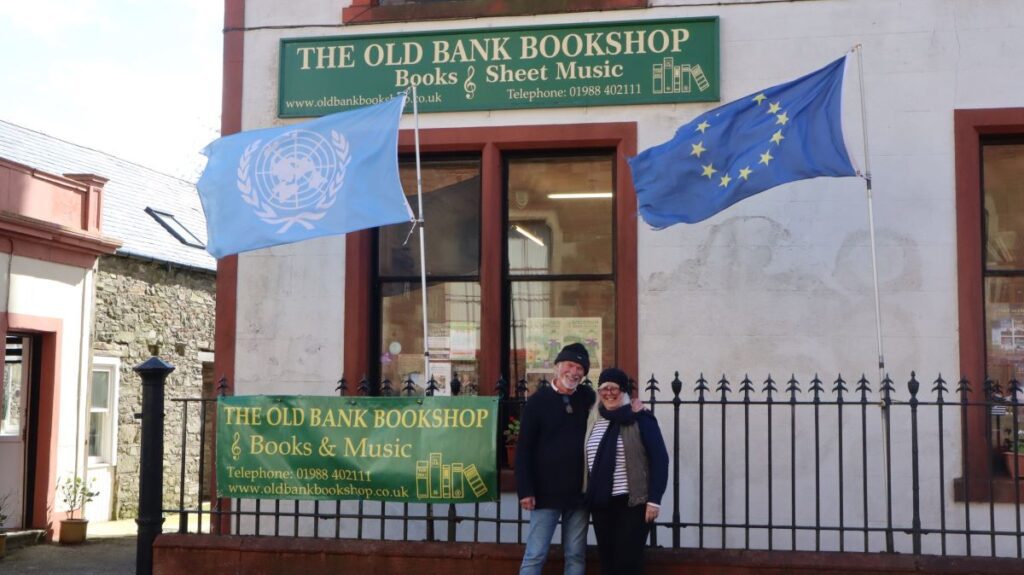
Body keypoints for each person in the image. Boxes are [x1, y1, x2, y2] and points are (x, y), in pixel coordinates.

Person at [515, 342, 596, 575]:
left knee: (576, 555)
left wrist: (634, 406)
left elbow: (612, 407)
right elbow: (524, 450)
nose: (575, 372)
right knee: (535, 554)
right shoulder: (537, 402)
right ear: (558, 366)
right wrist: (525, 489)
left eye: (580, 368)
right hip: (544, 493)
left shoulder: (588, 398)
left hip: (579, 493)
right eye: (570, 365)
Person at [584, 367, 669, 575]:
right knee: (608, 561)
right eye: (604, 388)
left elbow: (660, 459)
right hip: (602, 503)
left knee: (627, 562)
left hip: (633, 503)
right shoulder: (594, 421)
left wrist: (654, 499)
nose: (609, 393)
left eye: (614, 388)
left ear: (623, 391)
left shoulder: (641, 418)